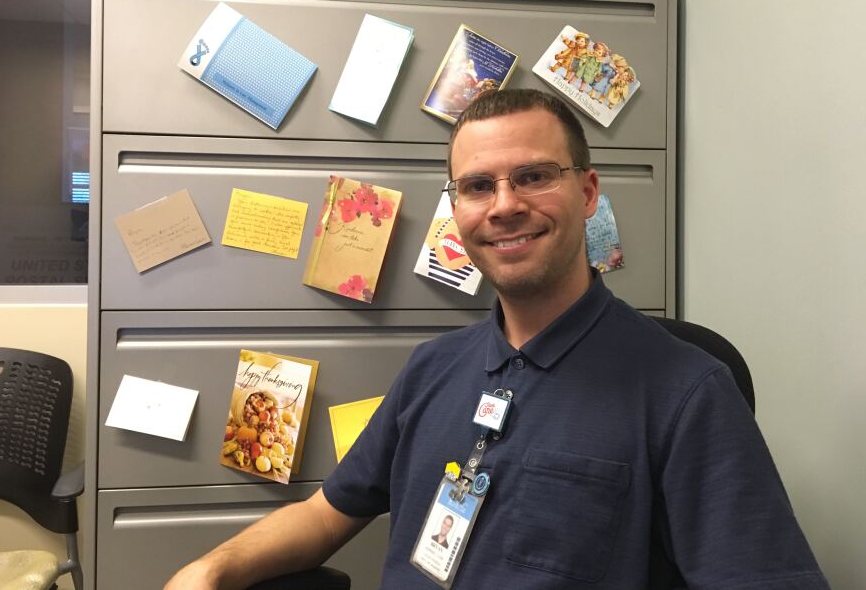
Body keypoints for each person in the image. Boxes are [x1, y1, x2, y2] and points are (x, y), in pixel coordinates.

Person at [166, 89, 828, 589]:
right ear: (457, 210)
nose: (505, 204)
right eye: (478, 186)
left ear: (589, 191)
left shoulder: (686, 392)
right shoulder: (432, 370)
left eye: (534, 176)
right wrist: (210, 572)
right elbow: (322, 515)